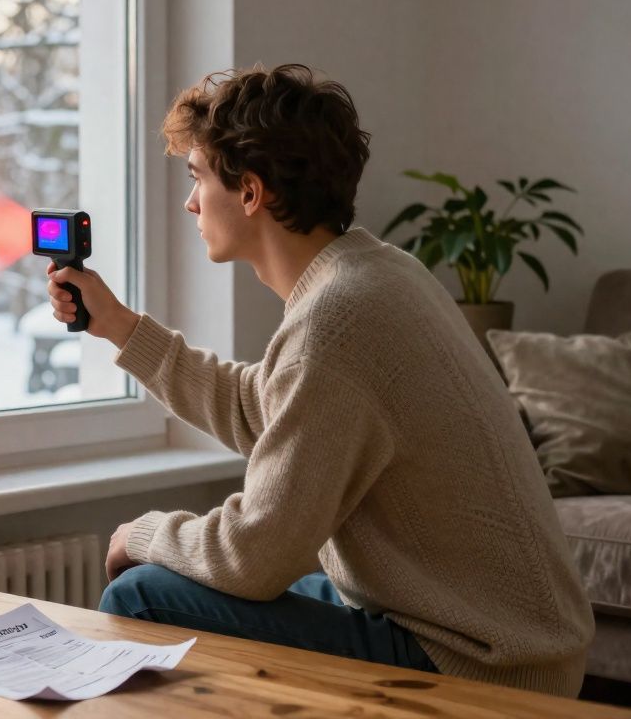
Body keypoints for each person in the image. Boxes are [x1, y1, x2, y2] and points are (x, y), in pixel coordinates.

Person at [45, 64, 593, 696]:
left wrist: (141, 535)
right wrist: (118, 326)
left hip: (476, 663)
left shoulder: (338, 320)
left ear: (249, 192)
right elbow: (266, 410)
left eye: (197, 177)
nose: (190, 201)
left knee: (142, 593)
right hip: (497, 640)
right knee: (200, 583)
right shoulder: (379, 274)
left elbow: (254, 557)